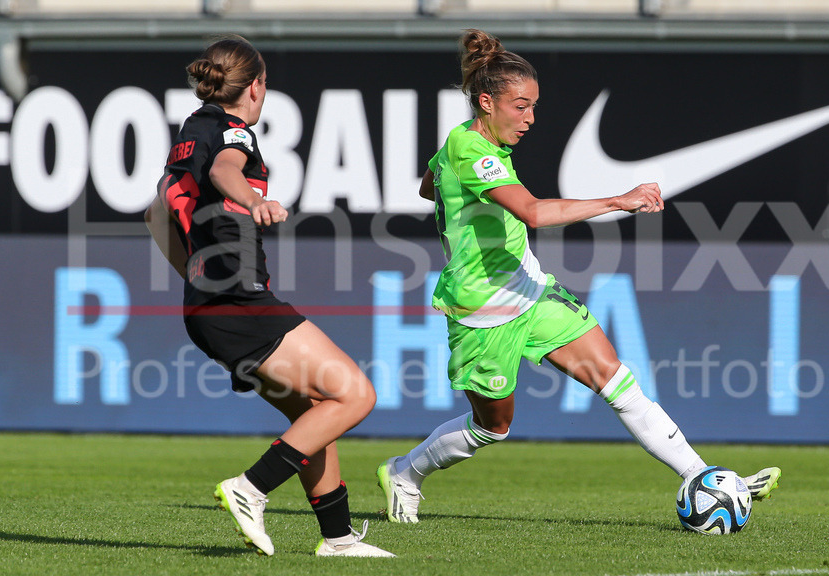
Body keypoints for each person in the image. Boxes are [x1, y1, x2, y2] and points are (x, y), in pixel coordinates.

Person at [376, 29, 781, 524]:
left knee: (618, 382)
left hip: (530, 291)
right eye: (520, 106)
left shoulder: (468, 147)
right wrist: (618, 200)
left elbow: (426, 186)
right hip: (483, 310)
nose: (529, 118)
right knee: (493, 428)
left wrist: (450, 192)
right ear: (486, 102)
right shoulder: (472, 151)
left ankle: (706, 480)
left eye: (534, 107)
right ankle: (405, 472)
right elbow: (534, 214)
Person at [145, 35, 394, 558]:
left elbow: (156, 216)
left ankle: (339, 539)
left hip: (207, 305)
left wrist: (194, 275)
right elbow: (225, 171)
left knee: (313, 413)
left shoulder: (192, 131)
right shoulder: (235, 134)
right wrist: (256, 199)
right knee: (354, 395)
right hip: (239, 299)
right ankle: (250, 488)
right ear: (255, 86)